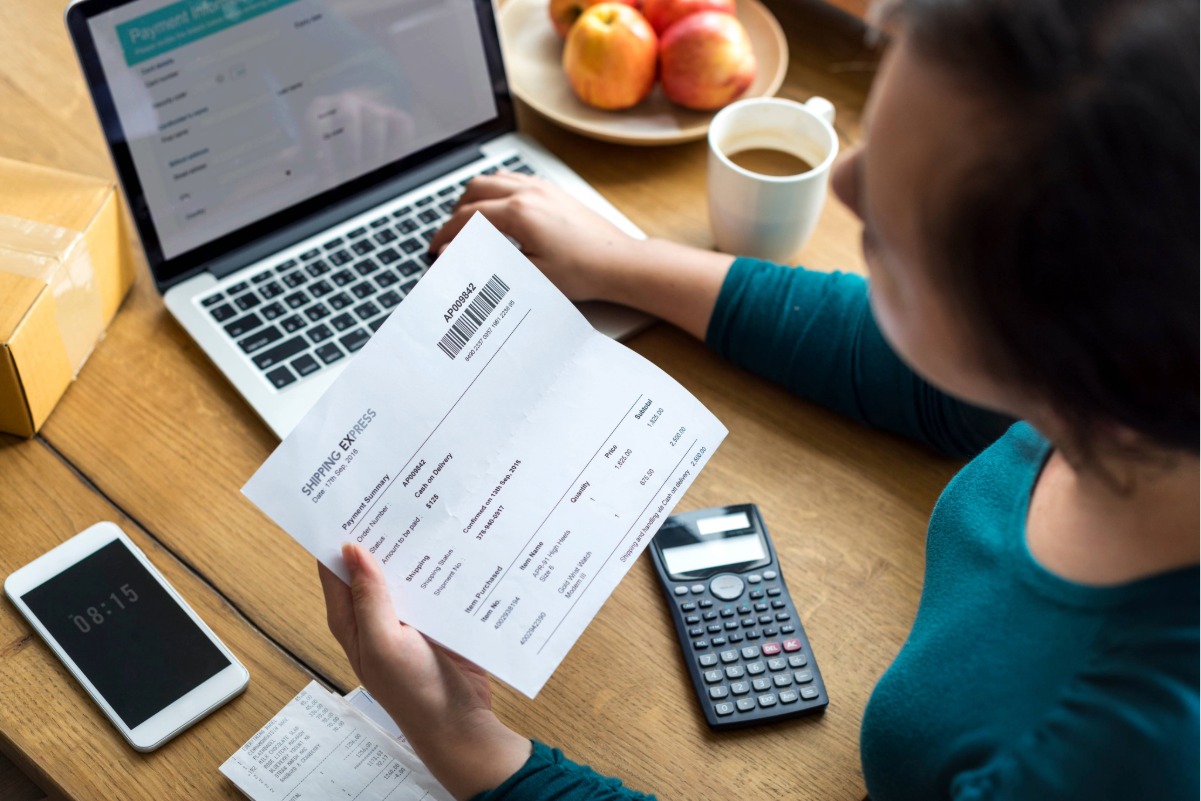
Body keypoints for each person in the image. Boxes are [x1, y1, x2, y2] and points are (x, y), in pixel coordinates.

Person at [318, 0, 1200, 798]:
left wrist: (463, 740)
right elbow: (930, 374)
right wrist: (621, 262)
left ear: (1063, 321)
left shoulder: (1126, 752)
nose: (845, 183)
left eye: (899, 221)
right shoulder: (1146, 378)